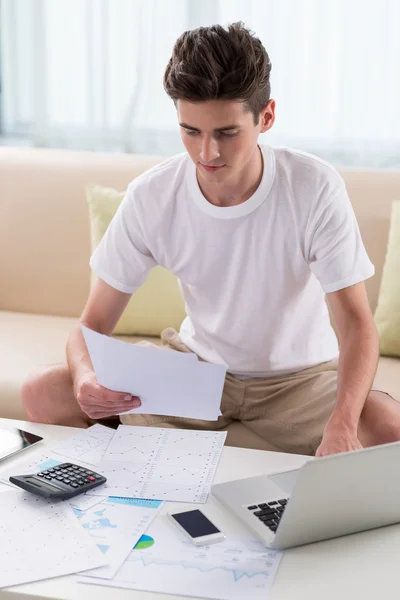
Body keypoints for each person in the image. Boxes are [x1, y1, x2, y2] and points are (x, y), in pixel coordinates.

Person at [22, 22, 400, 457]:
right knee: (42, 391)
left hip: (299, 382)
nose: (207, 154)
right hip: (196, 374)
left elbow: (356, 325)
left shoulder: (313, 187)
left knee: (389, 426)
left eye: (226, 133)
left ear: (267, 117)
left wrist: (342, 424)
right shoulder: (152, 194)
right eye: (191, 131)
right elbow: (89, 327)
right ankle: (127, 502)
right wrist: (86, 378)